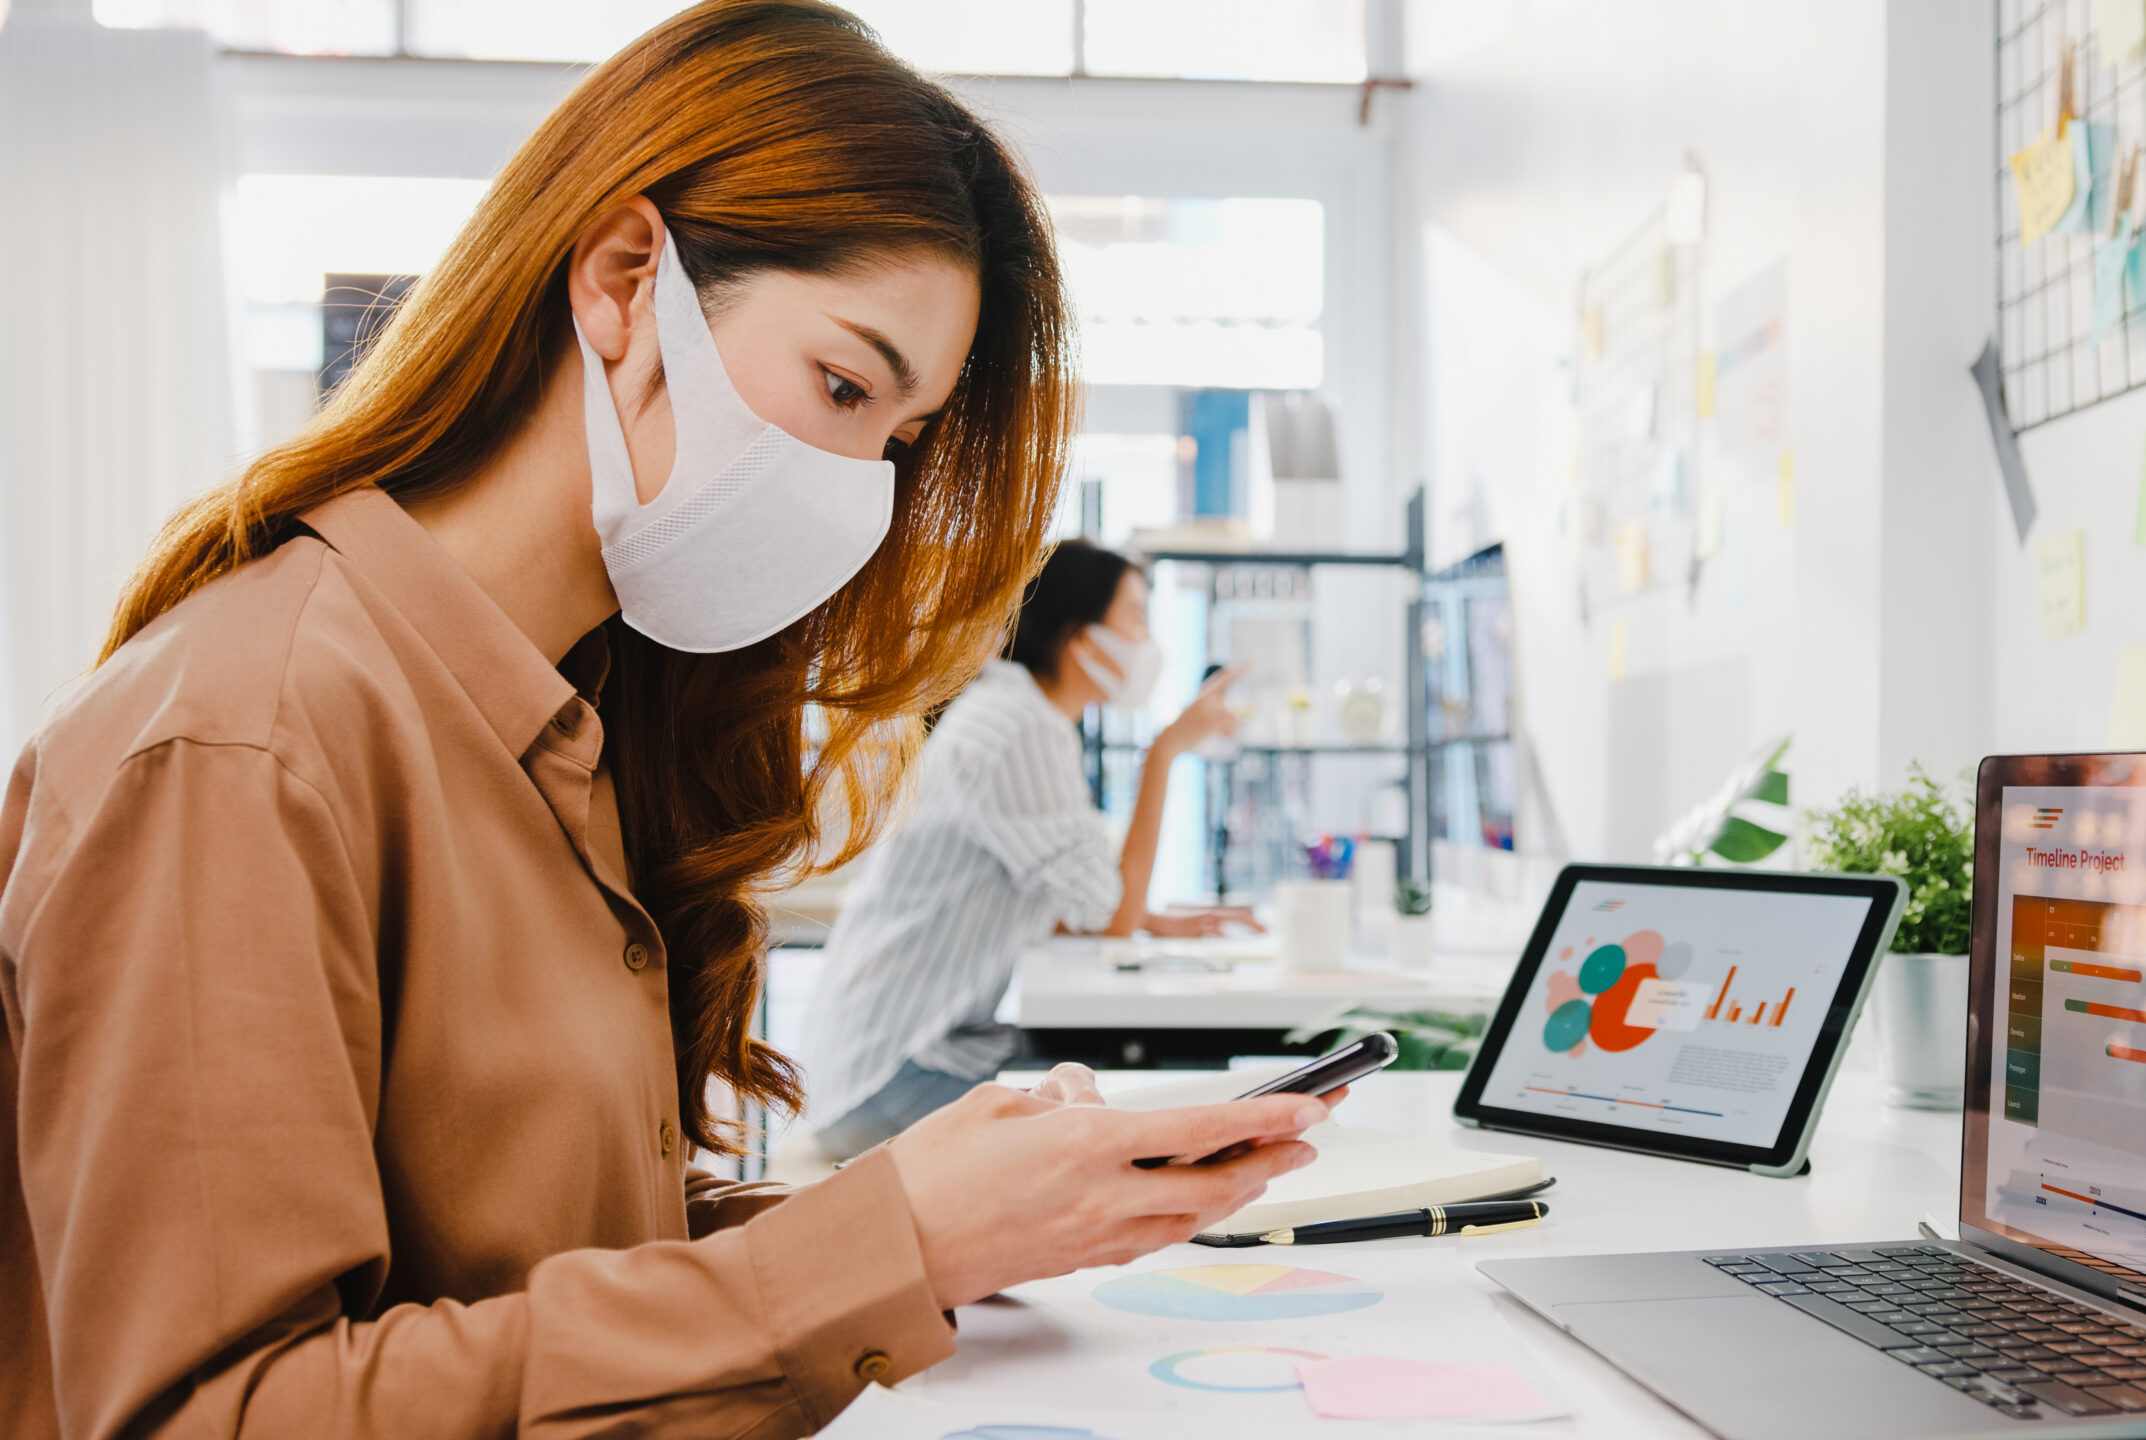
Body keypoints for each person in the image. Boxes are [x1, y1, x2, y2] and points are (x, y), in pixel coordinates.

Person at [0, 6, 1335, 1437]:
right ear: (627, 280)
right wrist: (894, 1243)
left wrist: (932, 1224)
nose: (855, 491)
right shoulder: (244, 744)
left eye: (892, 443)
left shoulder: (574, 718)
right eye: (840, 386)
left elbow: (532, 1261)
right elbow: (223, 1414)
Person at [803, 539, 1258, 1160]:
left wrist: (1151, 918)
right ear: (1081, 638)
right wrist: (1166, 751)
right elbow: (1112, 919)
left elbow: (1075, 903)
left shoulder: (1017, 712)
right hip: (888, 1077)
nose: (1149, 642)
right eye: (1136, 618)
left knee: (1132, 1090)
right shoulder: (1021, 728)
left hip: (889, 1057)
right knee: (1136, 1112)